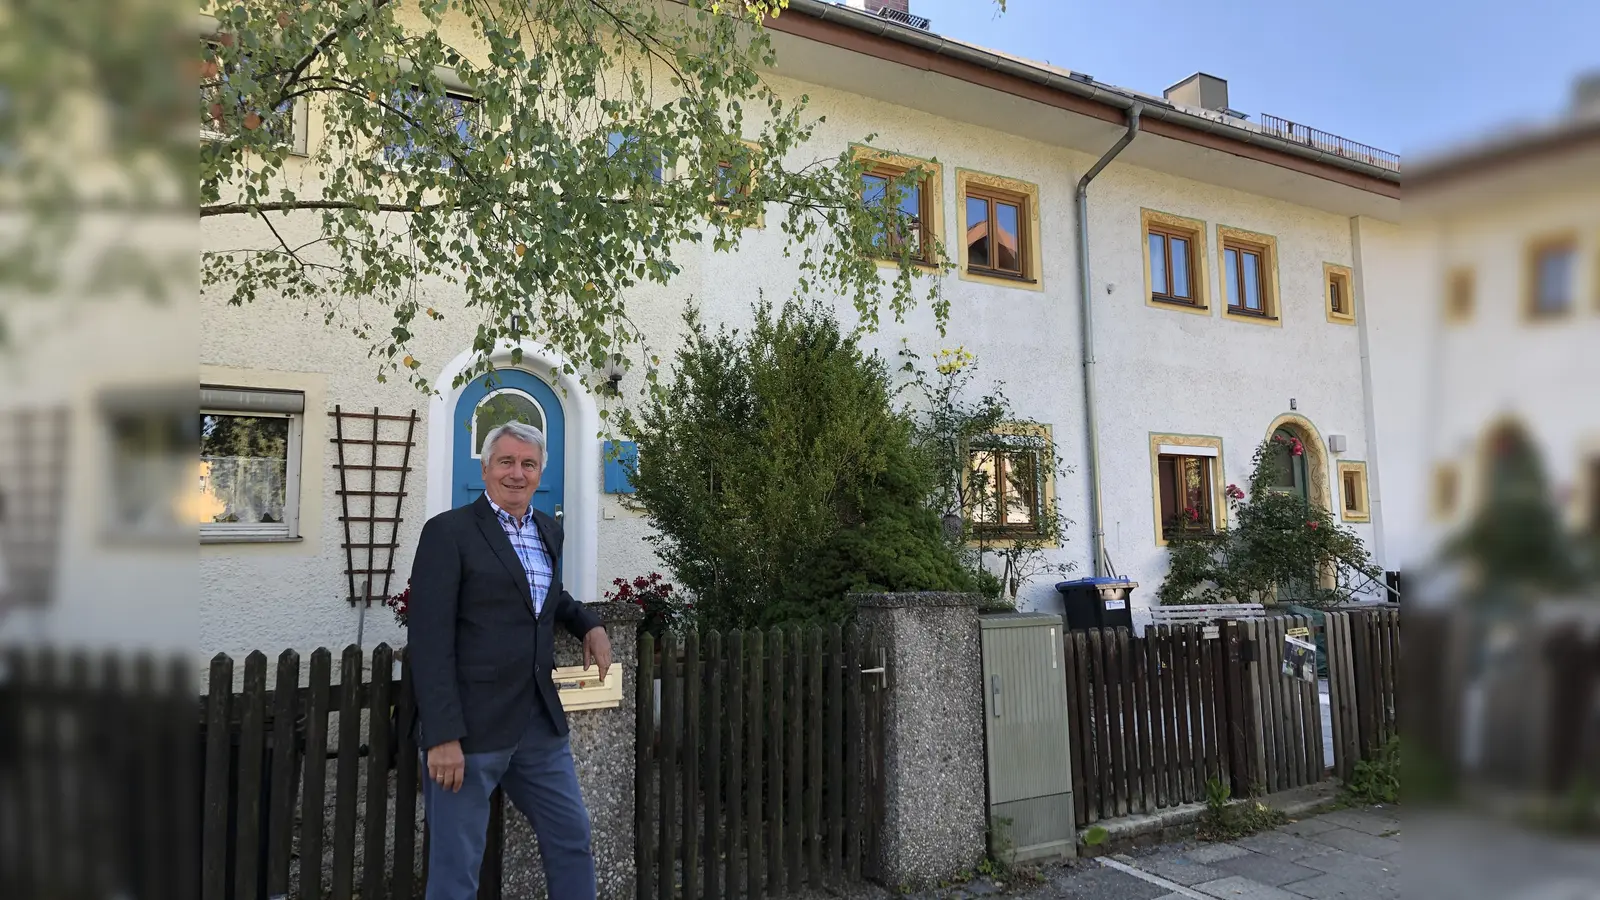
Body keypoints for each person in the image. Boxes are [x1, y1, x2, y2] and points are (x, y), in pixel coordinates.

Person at [408, 420, 613, 900]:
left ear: (540, 472)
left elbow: (546, 597)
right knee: (457, 866)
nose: (517, 473)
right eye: (506, 462)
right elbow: (429, 637)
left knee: (571, 837)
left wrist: (589, 622)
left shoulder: (548, 530)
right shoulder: (448, 533)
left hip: (538, 723)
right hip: (470, 729)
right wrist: (441, 735)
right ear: (485, 468)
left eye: (528, 464)